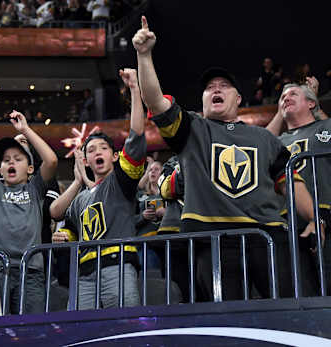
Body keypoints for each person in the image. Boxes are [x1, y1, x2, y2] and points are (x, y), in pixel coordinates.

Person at [133, 16, 319, 300]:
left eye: (223, 86)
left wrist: (314, 218)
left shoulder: (265, 138)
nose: (216, 89)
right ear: (203, 100)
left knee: (290, 308)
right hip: (212, 240)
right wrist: (144, 55)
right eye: (210, 87)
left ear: (239, 99)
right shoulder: (191, 129)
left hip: (267, 236)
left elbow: (291, 183)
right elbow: (156, 101)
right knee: (226, 318)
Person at [50, 68, 146, 310]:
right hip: (84, 275)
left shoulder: (121, 182)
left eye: (102, 148)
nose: (97, 153)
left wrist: (134, 90)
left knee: (125, 328)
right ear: (86, 161)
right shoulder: (81, 198)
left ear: (115, 156)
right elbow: (65, 221)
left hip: (118, 266)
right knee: (84, 332)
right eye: (91, 151)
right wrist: (66, 236)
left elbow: (136, 136)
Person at [0, 110, 58, 314]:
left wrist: (26, 130)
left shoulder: (35, 188)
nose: (10, 162)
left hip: (31, 268)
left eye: (18, 159)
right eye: (6, 160)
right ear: (0, 169)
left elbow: (52, 161)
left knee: (30, 329)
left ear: (30, 169)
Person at [267, 82, 331, 293]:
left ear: (311, 103)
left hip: (326, 212)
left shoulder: (325, 128)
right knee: (301, 289)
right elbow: (257, 147)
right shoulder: (277, 142)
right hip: (287, 221)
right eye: (282, 97)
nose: (285, 98)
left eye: (293, 94)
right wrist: (279, 111)